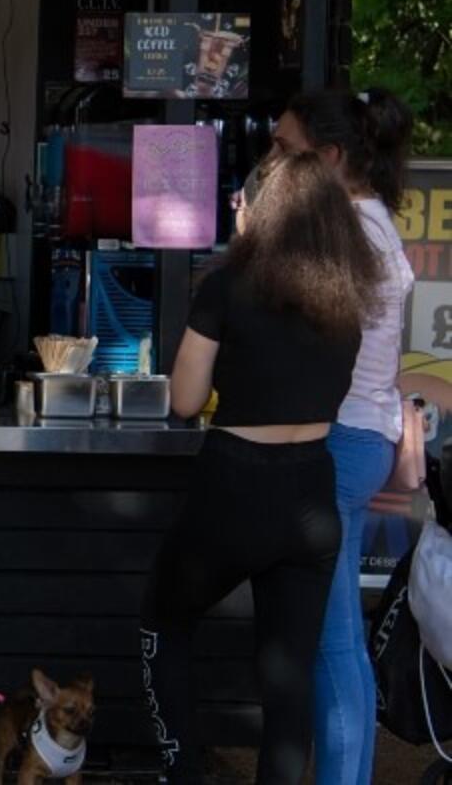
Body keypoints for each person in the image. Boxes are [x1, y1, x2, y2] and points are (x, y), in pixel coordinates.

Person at [142, 152, 381, 785]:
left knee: (164, 622)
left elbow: (186, 399)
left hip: (235, 485)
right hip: (312, 492)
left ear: (263, 210)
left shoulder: (227, 286)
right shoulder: (345, 299)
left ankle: (181, 772)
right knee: (288, 676)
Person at [271, 88, 421, 785]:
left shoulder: (348, 232)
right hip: (362, 440)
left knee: (332, 644)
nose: (273, 162)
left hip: (341, 442)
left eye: (285, 149)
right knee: (342, 642)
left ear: (330, 157)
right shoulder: (371, 222)